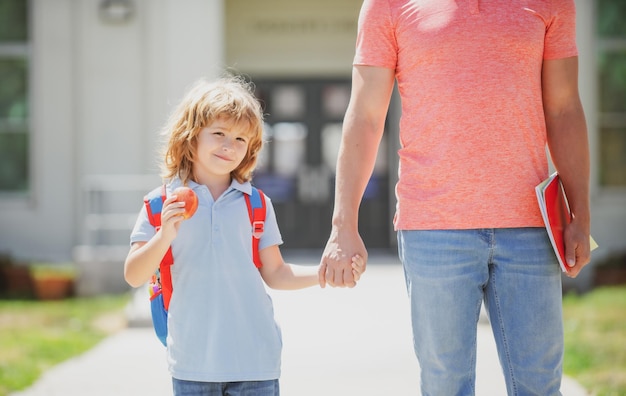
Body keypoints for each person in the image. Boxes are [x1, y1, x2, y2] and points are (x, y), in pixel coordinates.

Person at [320, 1, 592, 394]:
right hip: (434, 230)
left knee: (539, 386)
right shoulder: (388, 5)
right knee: (445, 386)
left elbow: (564, 109)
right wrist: (343, 224)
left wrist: (579, 214)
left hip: (532, 230)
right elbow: (364, 115)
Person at [124, 76, 365, 396]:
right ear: (190, 137)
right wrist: (164, 235)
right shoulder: (160, 204)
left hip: (256, 362)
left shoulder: (256, 204)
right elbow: (134, 274)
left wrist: (326, 274)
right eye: (219, 133)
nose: (229, 146)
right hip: (192, 363)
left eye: (240, 139)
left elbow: (276, 273)